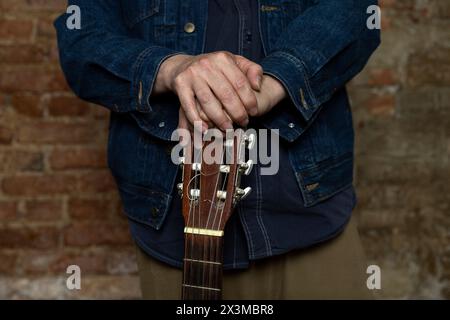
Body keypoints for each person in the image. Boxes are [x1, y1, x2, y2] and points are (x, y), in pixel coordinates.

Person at [55, 0, 380, 299]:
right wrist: (171, 68)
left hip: (309, 209)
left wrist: (275, 81)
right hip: (171, 224)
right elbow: (80, 39)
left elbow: (357, 10)